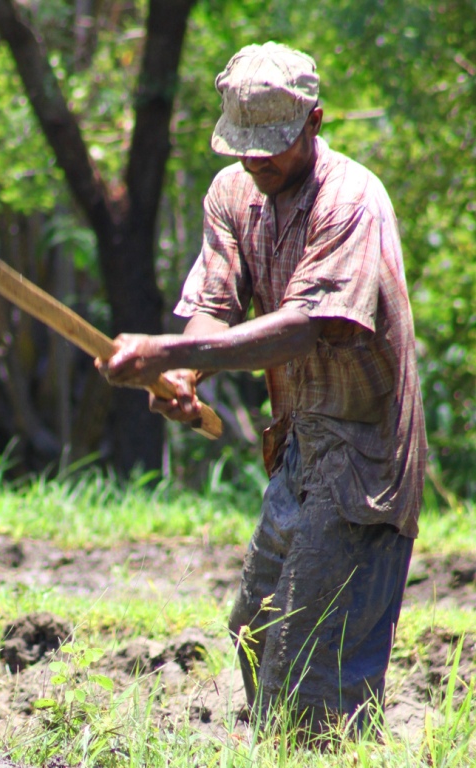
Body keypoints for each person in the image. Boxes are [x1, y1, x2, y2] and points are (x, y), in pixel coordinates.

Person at [96, 42, 426, 734]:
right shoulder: (233, 193)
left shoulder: (351, 200)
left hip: (363, 455)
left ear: (314, 121)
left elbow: (303, 326)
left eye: (271, 146)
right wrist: (182, 374)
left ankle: (320, 746)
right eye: (243, 146)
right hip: (300, 445)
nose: (256, 160)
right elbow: (217, 299)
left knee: (311, 670)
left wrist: (170, 348)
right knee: (254, 626)